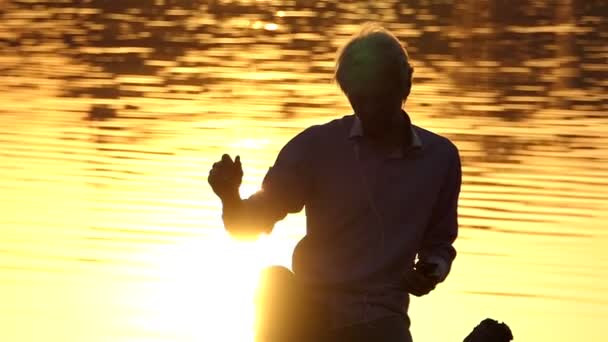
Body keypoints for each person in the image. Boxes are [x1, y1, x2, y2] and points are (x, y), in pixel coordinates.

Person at [208, 23, 462, 342]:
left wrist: (431, 270)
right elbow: (246, 226)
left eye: (379, 99)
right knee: (274, 281)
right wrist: (229, 196)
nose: (369, 111)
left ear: (406, 85)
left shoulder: (440, 158)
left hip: (381, 319)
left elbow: (439, 244)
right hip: (310, 314)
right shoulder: (316, 147)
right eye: (360, 99)